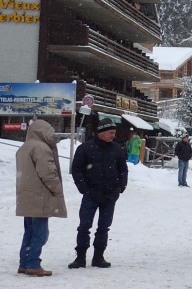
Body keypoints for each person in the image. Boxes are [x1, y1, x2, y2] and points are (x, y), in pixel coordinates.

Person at [69, 118, 128, 268]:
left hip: (110, 195)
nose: (113, 135)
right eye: (111, 132)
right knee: (84, 226)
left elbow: (123, 170)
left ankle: (98, 257)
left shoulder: (117, 149)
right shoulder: (85, 148)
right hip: (90, 195)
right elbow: (76, 170)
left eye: (114, 133)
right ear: (101, 132)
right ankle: (80, 257)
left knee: (104, 227)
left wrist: (120, 187)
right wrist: (84, 189)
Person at [15, 118, 68, 277]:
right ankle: (33, 264)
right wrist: (58, 190)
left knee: (29, 232)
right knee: (40, 234)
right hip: (40, 197)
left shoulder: (24, 147)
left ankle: (24, 263)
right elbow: (48, 173)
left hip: (27, 197)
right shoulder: (41, 148)